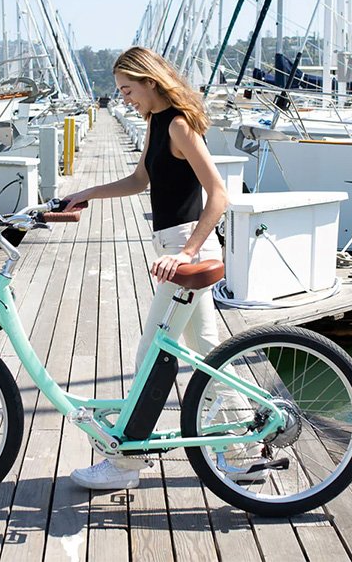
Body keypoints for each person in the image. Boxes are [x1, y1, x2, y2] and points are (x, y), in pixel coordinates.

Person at [64, 47, 228, 490]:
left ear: (149, 81)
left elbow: (218, 195)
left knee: (151, 357)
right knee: (209, 352)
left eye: (127, 89)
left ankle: (125, 465)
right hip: (173, 245)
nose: (124, 99)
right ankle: (242, 451)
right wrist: (88, 193)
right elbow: (140, 181)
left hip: (185, 246)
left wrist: (188, 252)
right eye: (120, 91)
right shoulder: (156, 123)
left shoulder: (177, 123)